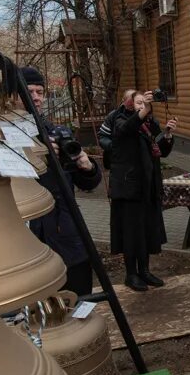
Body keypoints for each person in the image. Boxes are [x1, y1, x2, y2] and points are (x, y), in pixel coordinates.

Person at [21, 66, 103, 295]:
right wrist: (40, 158)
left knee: (80, 296)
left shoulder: (55, 132)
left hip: (68, 233)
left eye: (40, 91)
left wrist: (87, 167)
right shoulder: (7, 138)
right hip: (31, 239)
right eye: (29, 91)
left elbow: (87, 183)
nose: (36, 97)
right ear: (14, 95)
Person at [99, 89, 178, 292]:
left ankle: (144, 271)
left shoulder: (149, 123)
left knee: (146, 230)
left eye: (145, 102)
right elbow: (126, 130)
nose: (143, 105)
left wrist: (167, 135)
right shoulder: (120, 119)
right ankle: (130, 274)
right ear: (128, 103)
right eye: (139, 102)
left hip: (148, 185)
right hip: (128, 186)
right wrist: (144, 112)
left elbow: (160, 150)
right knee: (131, 232)